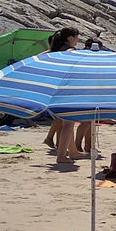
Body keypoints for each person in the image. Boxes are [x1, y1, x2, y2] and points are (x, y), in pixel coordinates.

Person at [42, 27, 88, 163]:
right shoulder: (71, 51)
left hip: (57, 89)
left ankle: (73, 152)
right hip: (69, 89)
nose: (77, 40)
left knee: (64, 121)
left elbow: (38, 59)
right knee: (68, 123)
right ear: (70, 38)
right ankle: (61, 156)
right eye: (76, 37)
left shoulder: (53, 51)